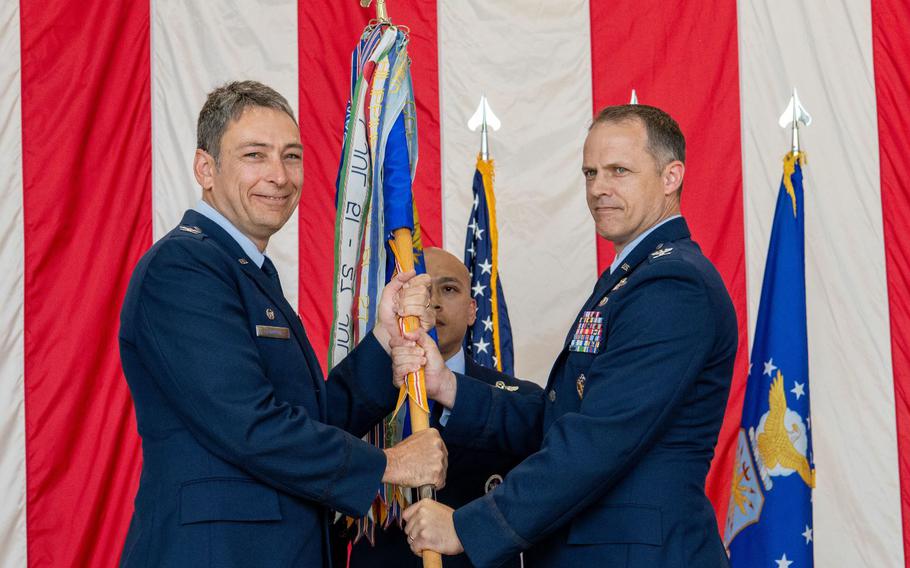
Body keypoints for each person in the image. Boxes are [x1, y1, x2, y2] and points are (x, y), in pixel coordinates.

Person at [118, 80, 447, 568]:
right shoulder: (183, 268)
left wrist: (384, 338)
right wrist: (390, 464)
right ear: (205, 168)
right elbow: (251, 425)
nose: (279, 175)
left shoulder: (244, 269)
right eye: (255, 155)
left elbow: (307, 417)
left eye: (291, 156)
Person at [396, 105, 738, 567]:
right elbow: (565, 414)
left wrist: (468, 526)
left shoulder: (674, 284)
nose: (599, 188)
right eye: (590, 172)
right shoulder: (629, 278)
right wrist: (448, 386)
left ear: (671, 176)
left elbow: (599, 438)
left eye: (619, 171)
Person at [347, 247, 539, 568]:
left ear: (472, 310)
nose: (432, 301)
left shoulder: (518, 401)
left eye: (448, 289)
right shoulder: (364, 392)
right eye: (419, 291)